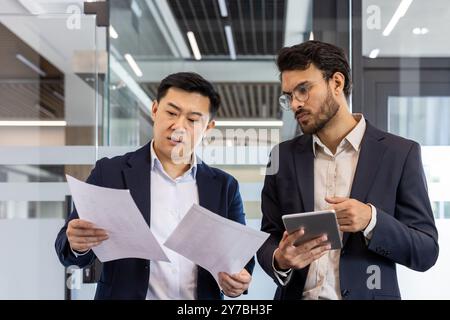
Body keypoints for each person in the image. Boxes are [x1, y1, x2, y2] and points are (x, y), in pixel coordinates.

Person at [257, 40, 439, 300]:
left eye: (303, 90)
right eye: (289, 97)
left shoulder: (400, 154)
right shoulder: (283, 157)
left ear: (337, 83)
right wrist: (280, 258)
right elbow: (268, 237)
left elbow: (426, 251)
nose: (295, 104)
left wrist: (371, 220)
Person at [55, 72, 254, 300]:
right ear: (155, 110)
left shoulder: (224, 186)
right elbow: (68, 248)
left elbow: (241, 259)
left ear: (208, 127)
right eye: (171, 113)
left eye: (192, 120)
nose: (178, 126)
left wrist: (239, 281)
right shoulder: (109, 173)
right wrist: (77, 244)